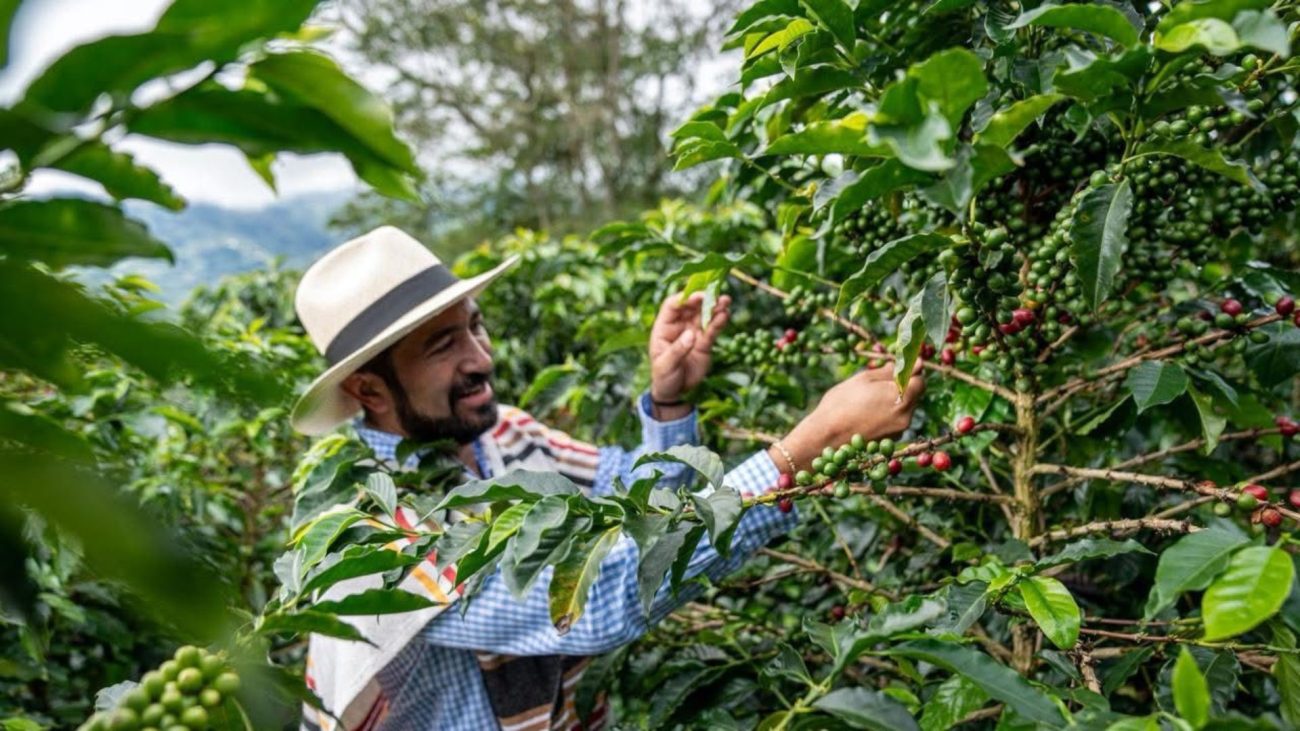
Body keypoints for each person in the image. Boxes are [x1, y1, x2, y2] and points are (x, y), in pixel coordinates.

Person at [289, 226, 925, 731]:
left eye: (475, 326)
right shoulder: (370, 537)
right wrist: (808, 448)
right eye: (441, 346)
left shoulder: (506, 438)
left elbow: (655, 510)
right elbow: (598, 602)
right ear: (368, 388)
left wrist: (669, 405)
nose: (481, 359)